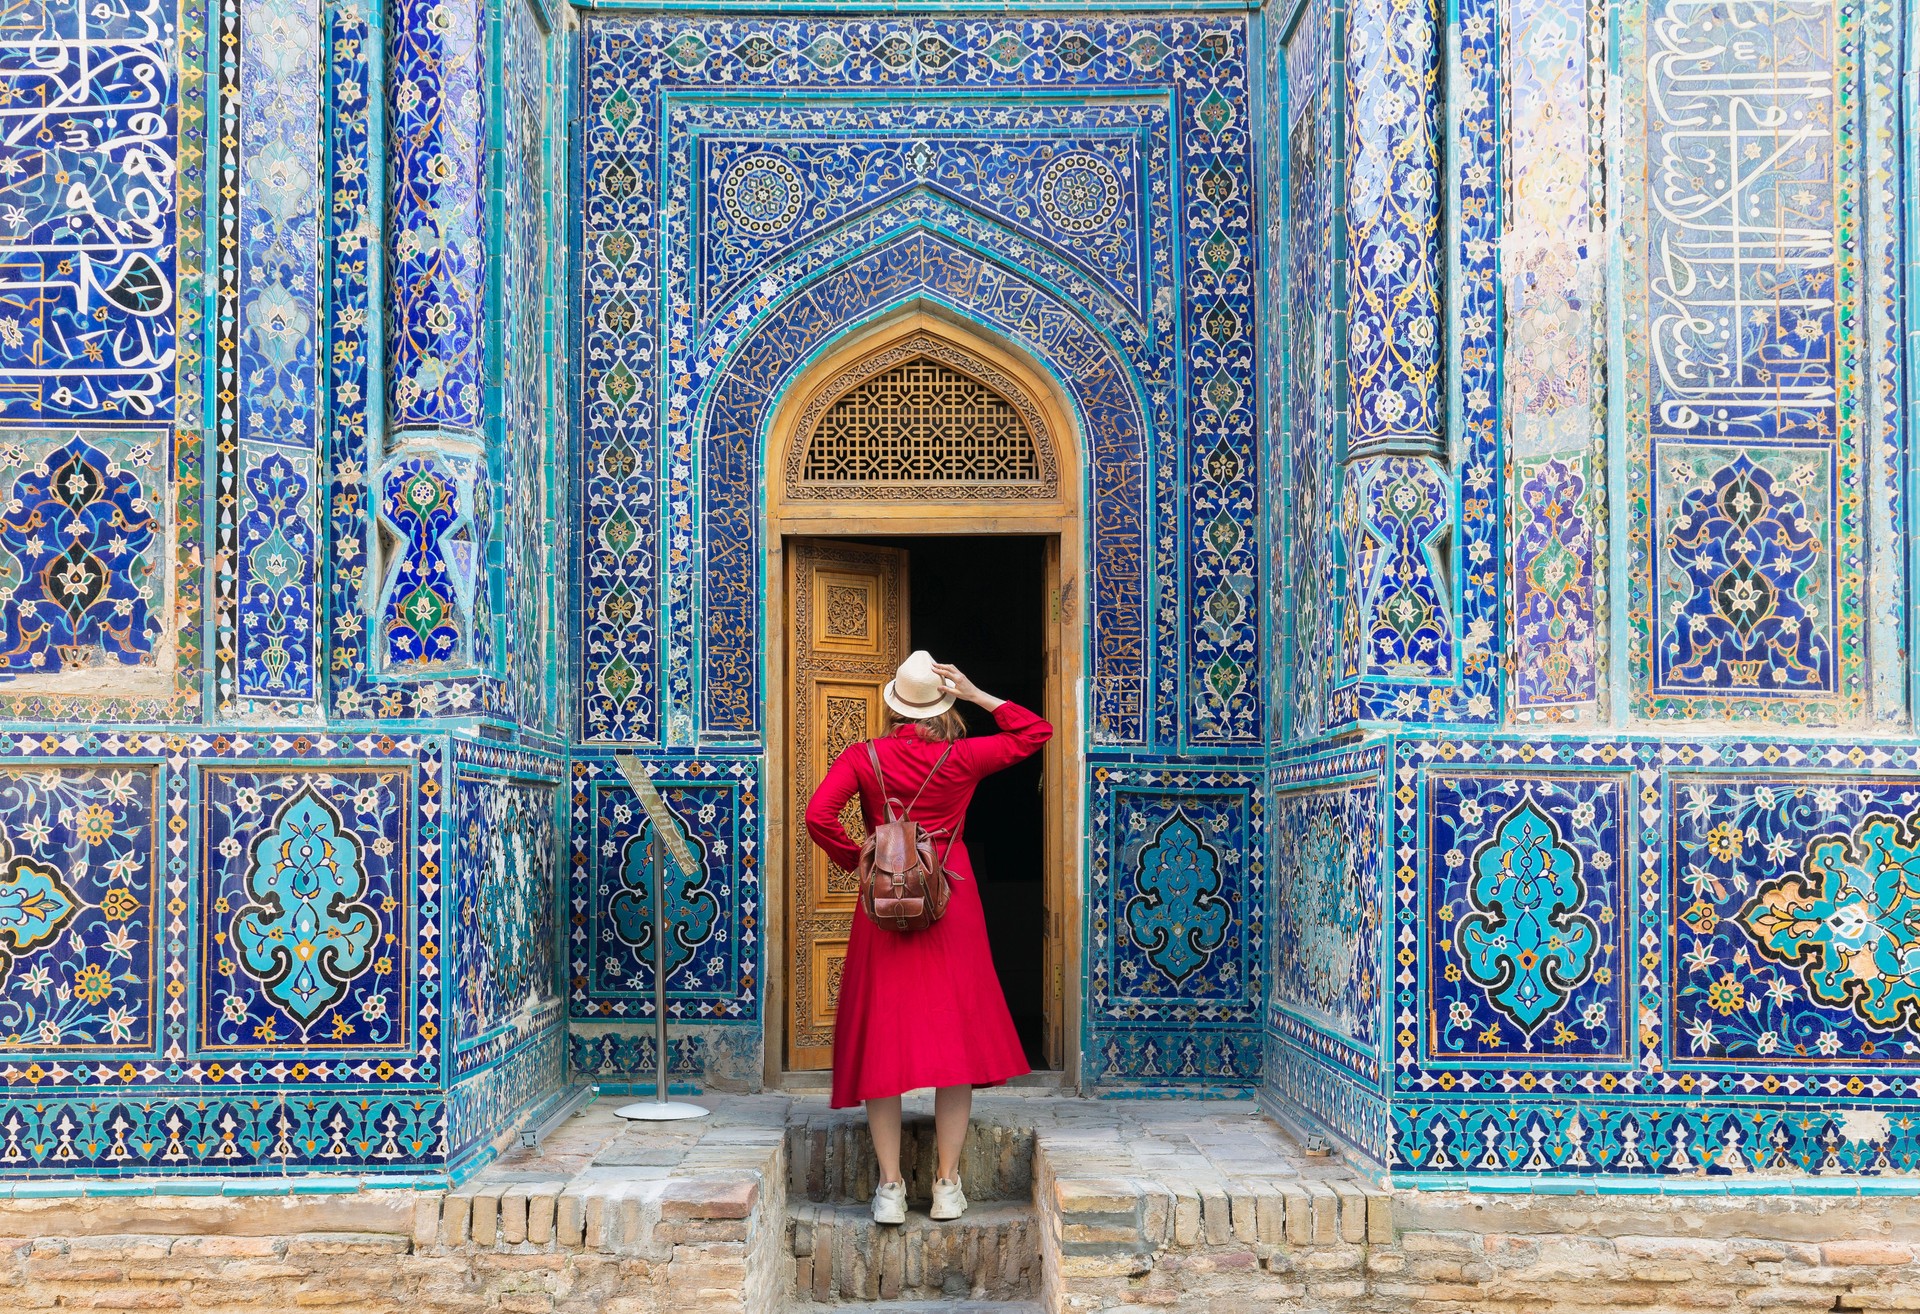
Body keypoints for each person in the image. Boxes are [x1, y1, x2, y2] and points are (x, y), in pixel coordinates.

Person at [804, 649, 1052, 1225]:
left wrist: (860, 858)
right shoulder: (963, 757)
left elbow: (819, 815)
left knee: (882, 1038)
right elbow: (1033, 732)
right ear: (942, 706)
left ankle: (889, 1188)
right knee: (955, 1037)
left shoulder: (864, 757)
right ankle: (945, 1184)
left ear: (893, 708)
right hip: (950, 899)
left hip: (884, 905)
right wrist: (976, 693)